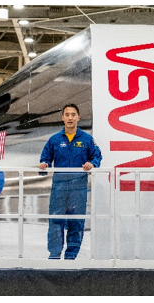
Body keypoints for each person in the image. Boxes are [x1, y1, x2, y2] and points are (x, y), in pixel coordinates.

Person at [38, 104, 102, 260]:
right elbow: (45, 159)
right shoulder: (54, 140)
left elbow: (97, 156)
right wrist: (44, 165)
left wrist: (92, 164)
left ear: (78, 117)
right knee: (55, 221)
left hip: (78, 188)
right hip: (59, 188)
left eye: (73, 114)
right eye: (67, 114)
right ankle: (54, 255)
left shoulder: (87, 139)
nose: (70, 117)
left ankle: (71, 256)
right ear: (63, 118)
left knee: (76, 222)